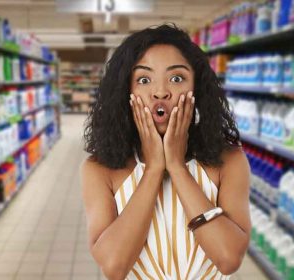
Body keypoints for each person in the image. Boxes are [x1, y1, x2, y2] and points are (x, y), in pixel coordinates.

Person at [81, 24, 251, 280]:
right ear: (125, 91)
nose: (160, 92)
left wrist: (177, 167)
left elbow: (228, 259)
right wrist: (153, 170)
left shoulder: (229, 160)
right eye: (144, 80)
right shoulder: (99, 169)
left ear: (198, 88)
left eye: (177, 78)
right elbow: (114, 267)